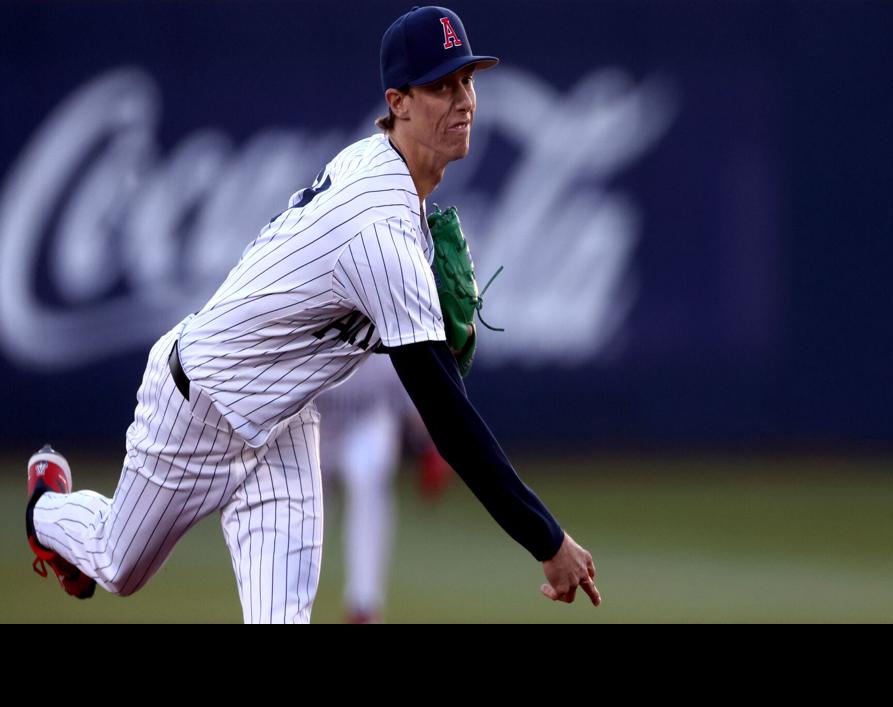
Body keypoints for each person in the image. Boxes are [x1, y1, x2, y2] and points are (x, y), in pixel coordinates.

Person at [23, 5, 600, 622]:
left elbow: (324, 306)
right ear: (398, 101)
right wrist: (547, 540)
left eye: (467, 81)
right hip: (197, 407)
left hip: (284, 422)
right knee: (118, 566)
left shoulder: (382, 174)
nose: (462, 100)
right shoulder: (379, 227)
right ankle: (45, 509)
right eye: (440, 85)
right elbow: (449, 419)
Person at [315, 354, 451, 624]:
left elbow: (409, 390)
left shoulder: (382, 331)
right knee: (305, 508)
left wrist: (429, 445)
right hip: (313, 421)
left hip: (366, 420)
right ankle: (284, 599)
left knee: (368, 478)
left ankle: (363, 605)